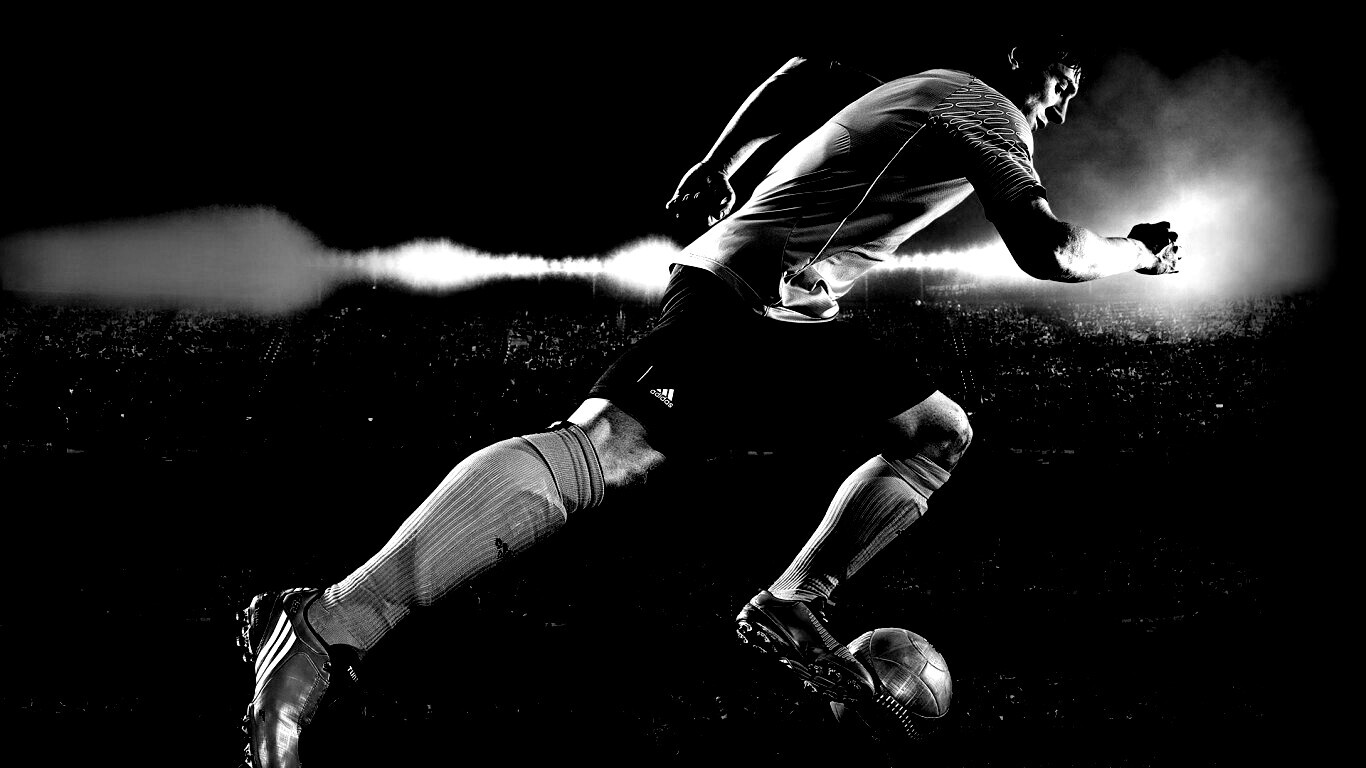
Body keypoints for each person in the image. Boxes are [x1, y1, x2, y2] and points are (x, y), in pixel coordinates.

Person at [239, 36, 1181, 767]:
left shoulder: (919, 89)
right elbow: (1050, 250)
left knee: (936, 433)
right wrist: (1137, 252)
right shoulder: (986, 110)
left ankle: (792, 603)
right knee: (607, 449)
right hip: (749, 292)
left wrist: (723, 159)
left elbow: (808, 71)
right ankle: (325, 625)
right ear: (1020, 56)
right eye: (1063, 74)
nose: (1066, 98)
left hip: (794, 305)